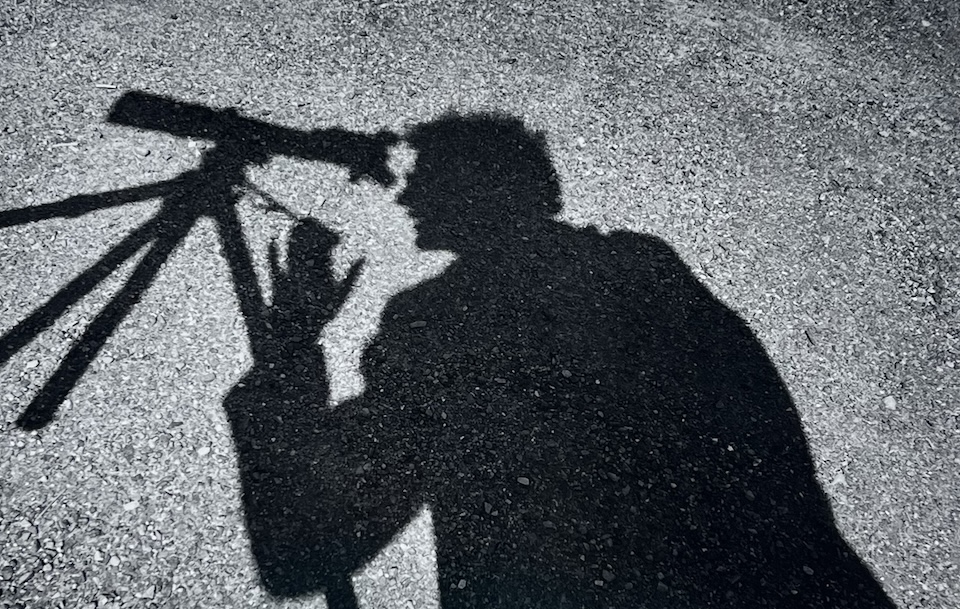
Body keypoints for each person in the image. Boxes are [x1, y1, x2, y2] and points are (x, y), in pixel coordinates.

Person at [225, 113, 896, 608]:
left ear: (478, 194)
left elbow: (302, 550)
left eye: (425, 181)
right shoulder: (644, 266)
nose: (404, 197)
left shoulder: (434, 322)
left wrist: (293, 344)